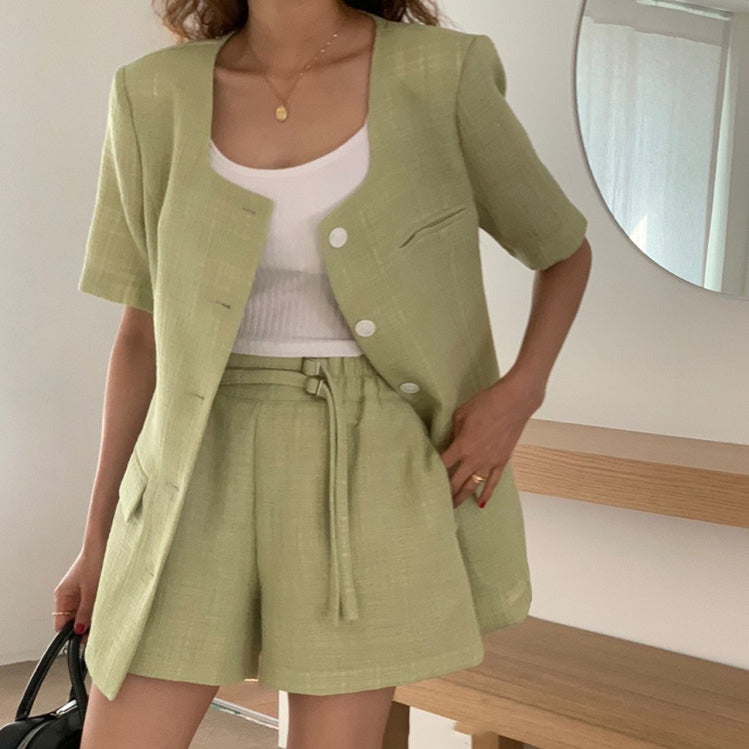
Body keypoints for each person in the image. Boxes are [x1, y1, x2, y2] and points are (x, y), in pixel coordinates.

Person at [55, 1, 592, 747]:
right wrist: (97, 539)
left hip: (371, 464)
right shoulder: (150, 93)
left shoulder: (442, 74)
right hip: (195, 458)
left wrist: (518, 394)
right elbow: (141, 335)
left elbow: (561, 250)